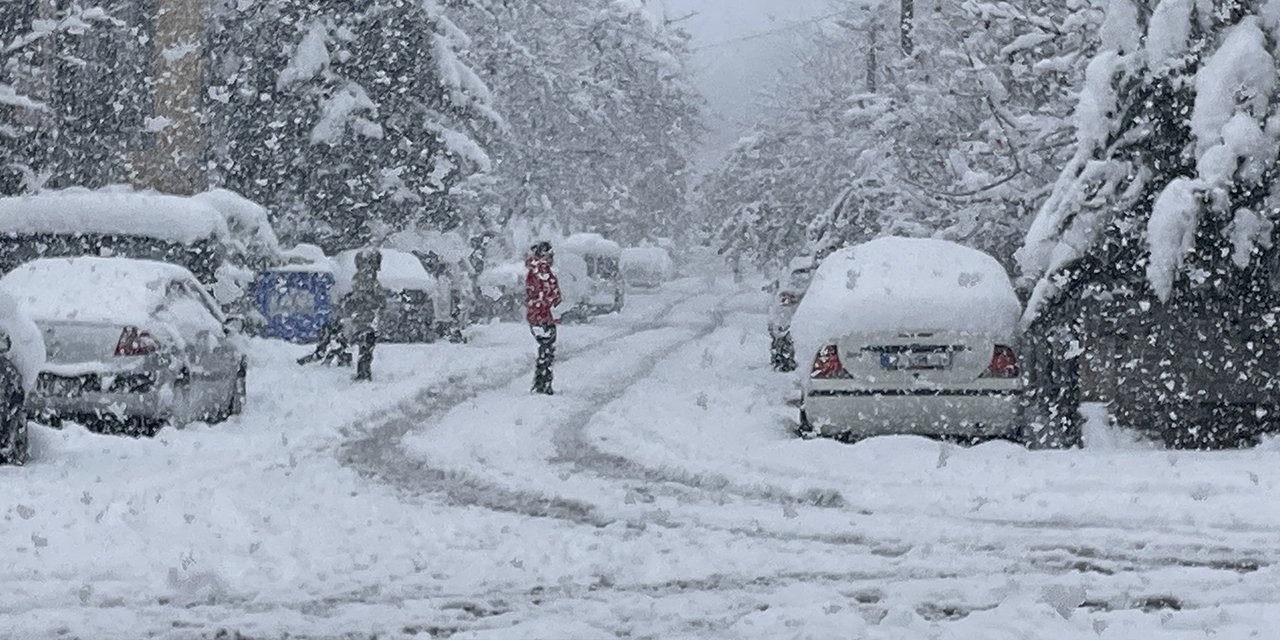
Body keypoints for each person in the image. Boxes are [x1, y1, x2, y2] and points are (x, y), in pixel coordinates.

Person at [344, 249, 389, 382]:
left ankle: (363, 372)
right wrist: (378, 302)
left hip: (361, 319)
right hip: (366, 320)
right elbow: (374, 299)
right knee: (366, 348)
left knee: (364, 348)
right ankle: (364, 374)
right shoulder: (368, 280)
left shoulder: (359, 278)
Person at [525, 242, 562, 395]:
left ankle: (541, 382)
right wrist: (554, 302)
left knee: (544, 349)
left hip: (536, 315)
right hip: (543, 316)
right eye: (550, 255)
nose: (552, 258)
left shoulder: (533, 270)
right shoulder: (542, 270)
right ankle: (543, 384)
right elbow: (547, 293)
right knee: (547, 350)